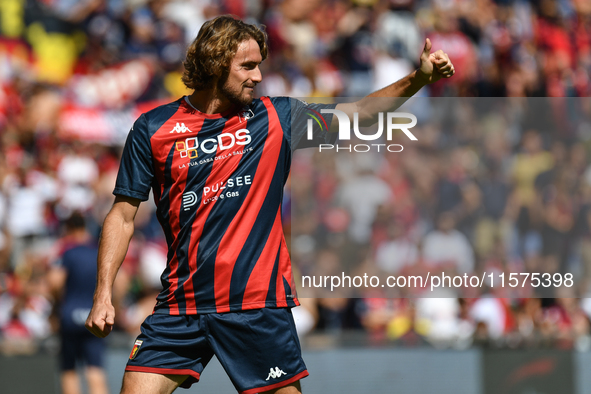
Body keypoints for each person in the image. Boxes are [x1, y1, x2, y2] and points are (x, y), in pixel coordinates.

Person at [85, 15, 454, 394]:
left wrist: (419, 79)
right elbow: (123, 216)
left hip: (256, 306)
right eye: (247, 66)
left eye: (259, 65)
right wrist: (103, 294)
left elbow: (357, 114)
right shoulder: (152, 129)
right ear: (214, 63)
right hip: (180, 305)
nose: (258, 76)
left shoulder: (276, 118)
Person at [48, 212, 109, 394]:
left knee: (69, 370)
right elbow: (121, 281)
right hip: (95, 315)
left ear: (69, 229)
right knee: (95, 369)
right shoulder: (98, 253)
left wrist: (58, 302)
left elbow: (54, 281)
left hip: (70, 315)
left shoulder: (68, 252)